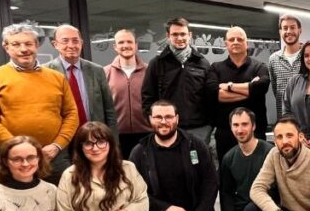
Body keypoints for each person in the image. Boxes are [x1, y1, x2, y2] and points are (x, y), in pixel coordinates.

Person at [0, 23, 79, 183]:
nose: (23, 49)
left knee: (62, 197)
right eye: (16, 44)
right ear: (6, 47)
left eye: (28, 43)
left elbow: (71, 114)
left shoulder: (57, 78)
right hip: (15, 158)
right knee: (18, 198)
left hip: (54, 157)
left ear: (37, 45)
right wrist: (18, 148)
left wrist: (57, 145)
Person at [130, 100, 218, 211]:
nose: (164, 121)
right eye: (158, 117)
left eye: (169, 116)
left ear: (177, 118)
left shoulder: (196, 145)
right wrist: (167, 208)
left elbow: (210, 183)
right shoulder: (139, 152)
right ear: (150, 119)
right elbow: (136, 193)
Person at [141, 17, 216, 146]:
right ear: (168, 36)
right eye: (175, 34)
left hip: (199, 129)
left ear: (190, 35)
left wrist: (210, 124)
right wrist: (156, 123)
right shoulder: (157, 63)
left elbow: (210, 97)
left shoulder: (202, 63)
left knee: (197, 159)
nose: (179, 38)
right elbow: (147, 97)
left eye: (183, 34)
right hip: (168, 127)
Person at [212, 108, 270, 211]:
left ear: (253, 126)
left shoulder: (269, 152)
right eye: (235, 125)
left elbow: (274, 191)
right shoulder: (228, 158)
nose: (240, 129)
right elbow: (226, 193)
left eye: (244, 124)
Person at [46, 24, 117, 141]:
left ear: (81, 43)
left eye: (75, 41)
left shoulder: (97, 71)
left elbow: (109, 111)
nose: (71, 45)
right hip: (61, 140)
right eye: (65, 41)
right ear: (55, 44)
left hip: (95, 139)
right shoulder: (46, 72)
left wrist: (113, 142)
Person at [211, 26, 269, 162]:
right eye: (232, 39)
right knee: (226, 172)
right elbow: (214, 95)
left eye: (240, 39)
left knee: (259, 172)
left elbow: (261, 87)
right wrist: (250, 90)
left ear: (246, 43)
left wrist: (229, 87)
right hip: (226, 134)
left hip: (255, 133)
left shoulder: (259, 67)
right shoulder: (215, 68)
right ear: (226, 44)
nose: (236, 42)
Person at [105, 29, 153, 158]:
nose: (125, 45)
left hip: (147, 133)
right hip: (117, 136)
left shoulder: (150, 71)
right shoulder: (105, 73)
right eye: (121, 42)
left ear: (136, 45)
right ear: (115, 47)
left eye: (129, 42)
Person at [282, 40, 310, 151]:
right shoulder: (294, 81)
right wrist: (298, 135)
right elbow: (287, 112)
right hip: (298, 143)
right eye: (306, 56)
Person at [267, 13, 303, 119]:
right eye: (285, 28)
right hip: (284, 118)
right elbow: (275, 90)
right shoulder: (273, 59)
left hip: (306, 118)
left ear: (300, 30)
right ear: (280, 32)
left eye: (292, 27)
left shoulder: (309, 57)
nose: (289, 31)